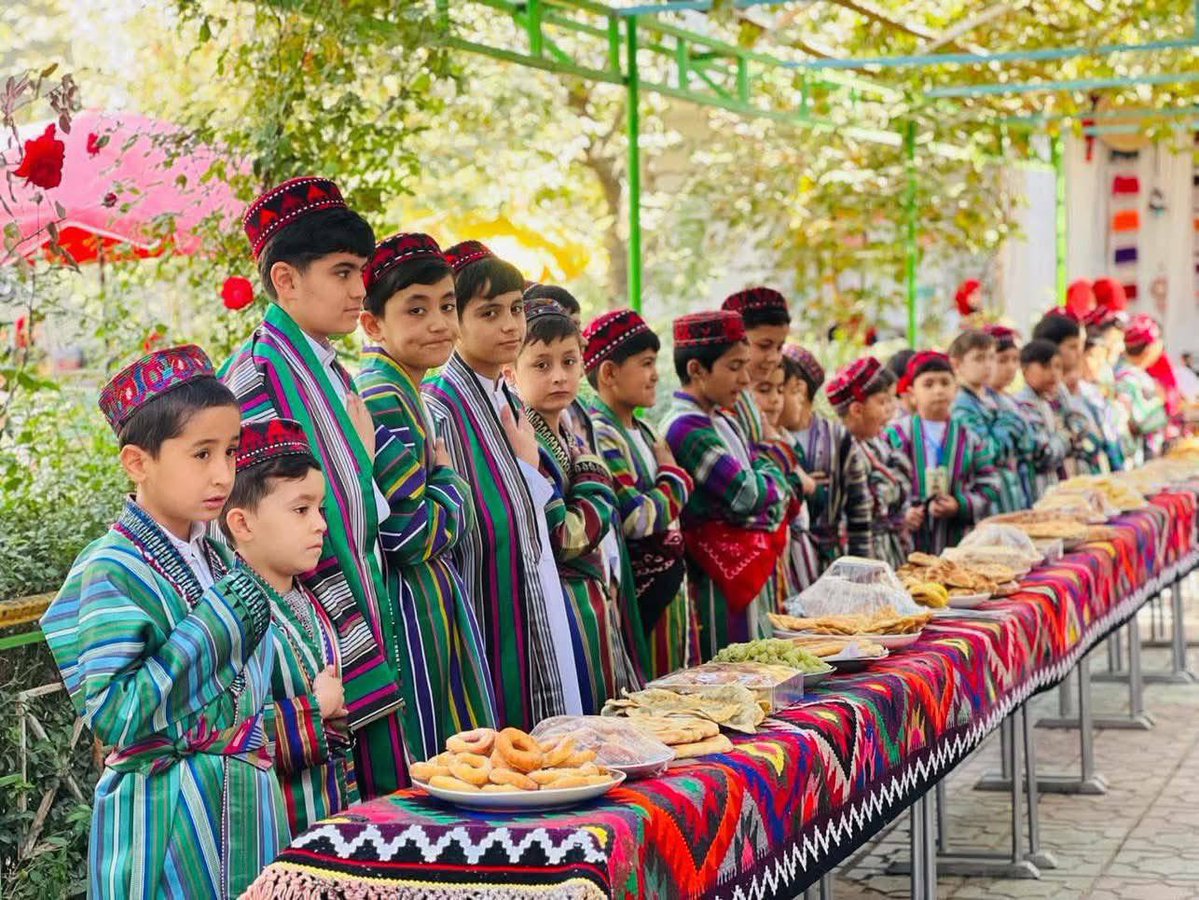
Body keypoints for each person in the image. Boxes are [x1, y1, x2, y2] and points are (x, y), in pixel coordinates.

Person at [40, 345, 286, 898]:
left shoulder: (216, 554)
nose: (223, 473)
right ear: (137, 462)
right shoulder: (112, 567)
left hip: (246, 799)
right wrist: (219, 622)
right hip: (164, 814)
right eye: (201, 454)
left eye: (231, 451)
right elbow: (117, 714)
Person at [221, 176, 405, 797]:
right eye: (343, 272)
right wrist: (346, 652)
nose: (360, 290)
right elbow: (266, 527)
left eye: (361, 271)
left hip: (355, 617)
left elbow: (355, 508)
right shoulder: (256, 376)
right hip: (308, 647)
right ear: (286, 280)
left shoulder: (330, 369)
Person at [423, 240, 584, 727]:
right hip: (486, 608)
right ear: (454, 319)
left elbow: (539, 514)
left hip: (533, 592)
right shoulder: (441, 407)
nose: (511, 325)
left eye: (515, 309)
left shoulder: (507, 399)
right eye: (489, 313)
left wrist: (529, 468)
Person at [355, 232, 497, 761]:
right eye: (416, 310)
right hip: (410, 608)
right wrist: (452, 482)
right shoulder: (382, 396)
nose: (439, 323)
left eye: (447, 306)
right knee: (439, 760)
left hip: (429, 600)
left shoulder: (404, 387)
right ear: (372, 324)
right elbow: (407, 533)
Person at [221, 419, 356, 835]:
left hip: (327, 816)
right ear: (242, 524)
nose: (320, 524)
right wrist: (316, 709)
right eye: (301, 510)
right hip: (270, 833)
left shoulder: (310, 596)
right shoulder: (229, 616)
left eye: (320, 510)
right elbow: (218, 737)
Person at [512, 298, 638, 709]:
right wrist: (595, 475)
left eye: (569, 362)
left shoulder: (567, 432)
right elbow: (566, 536)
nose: (559, 376)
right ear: (511, 372)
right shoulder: (523, 439)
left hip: (590, 602)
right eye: (541, 365)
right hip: (561, 606)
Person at [662, 310, 792, 659]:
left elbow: (771, 494)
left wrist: (766, 484)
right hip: (716, 586)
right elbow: (748, 494)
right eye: (734, 367)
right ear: (696, 370)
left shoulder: (723, 421)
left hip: (746, 577)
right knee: (737, 671)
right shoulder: (685, 428)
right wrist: (770, 471)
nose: (745, 378)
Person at [584, 308, 697, 678]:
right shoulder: (602, 434)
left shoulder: (645, 432)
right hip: (640, 596)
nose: (656, 375)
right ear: (609, 373)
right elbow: (636, 516)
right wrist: (675, 479)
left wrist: (667, 489)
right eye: (646, 363)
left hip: (669, 591)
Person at [886, 351, 998, 553]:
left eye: (945, 383)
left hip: (957, 543)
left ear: (956, 388)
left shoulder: (969, 437)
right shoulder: (896, 435)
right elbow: (883, 485)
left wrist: (960, 504)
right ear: (912, 393)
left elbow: (990, 483)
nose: (938, 390)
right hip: (908, 544)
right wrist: (903, 513)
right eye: (928, 384)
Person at [778, 344, 871, 570]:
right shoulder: (771, 437)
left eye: (779, 388)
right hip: (786, 561)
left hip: (829, 561)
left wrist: (862, 566)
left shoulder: (838, 437)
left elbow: (859, 506)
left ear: (799, 388)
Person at [827, 357, 914, 570]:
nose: (890, 410)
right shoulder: (841, 451)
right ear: (857, 410)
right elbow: (873, 500)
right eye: (882, 402)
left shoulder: (877, 443)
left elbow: (901, 483)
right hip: (862, 557)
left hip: (887, 550)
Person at [949, 329, 1027, 512]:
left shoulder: (996, 398)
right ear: (957, 364)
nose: (987, 365)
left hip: (1011, 495)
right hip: (987, 500)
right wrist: (1008, 425)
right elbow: (987, 453)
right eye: (979, 358)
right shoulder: (960, 405)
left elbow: (1027, 442)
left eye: (991, 357)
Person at [1031, 311, 1111, 476]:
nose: (1079, 352)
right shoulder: (1034, 398)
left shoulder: (1066, 391)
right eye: (1072, 347)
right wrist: (1068, 436)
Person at [721, 287, 791, 445]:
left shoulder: (745, 397)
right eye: (764, 346)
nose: (774, 358)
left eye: (779, 347)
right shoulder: (723, 403)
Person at [983, 324, 1038, 508]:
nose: (1011, 367)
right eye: (1003, 360)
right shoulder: (983, 404)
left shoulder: (1012, 401)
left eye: (1015, 360)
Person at [1015, 338, 1071, 499]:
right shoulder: (1023, 405)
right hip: (1036, 492)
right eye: (1045, 366)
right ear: (1024, 369)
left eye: (1058, 367)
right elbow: (1044, 455)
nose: (1054, 373)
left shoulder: (1046, 402)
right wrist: (1064, 437)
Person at [1112, 315, 1169, 462]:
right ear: (1150, 348)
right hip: (1137, 457)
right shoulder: (1127, 378)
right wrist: (1160, 404)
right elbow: (1135, 422)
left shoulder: (1136, 374)